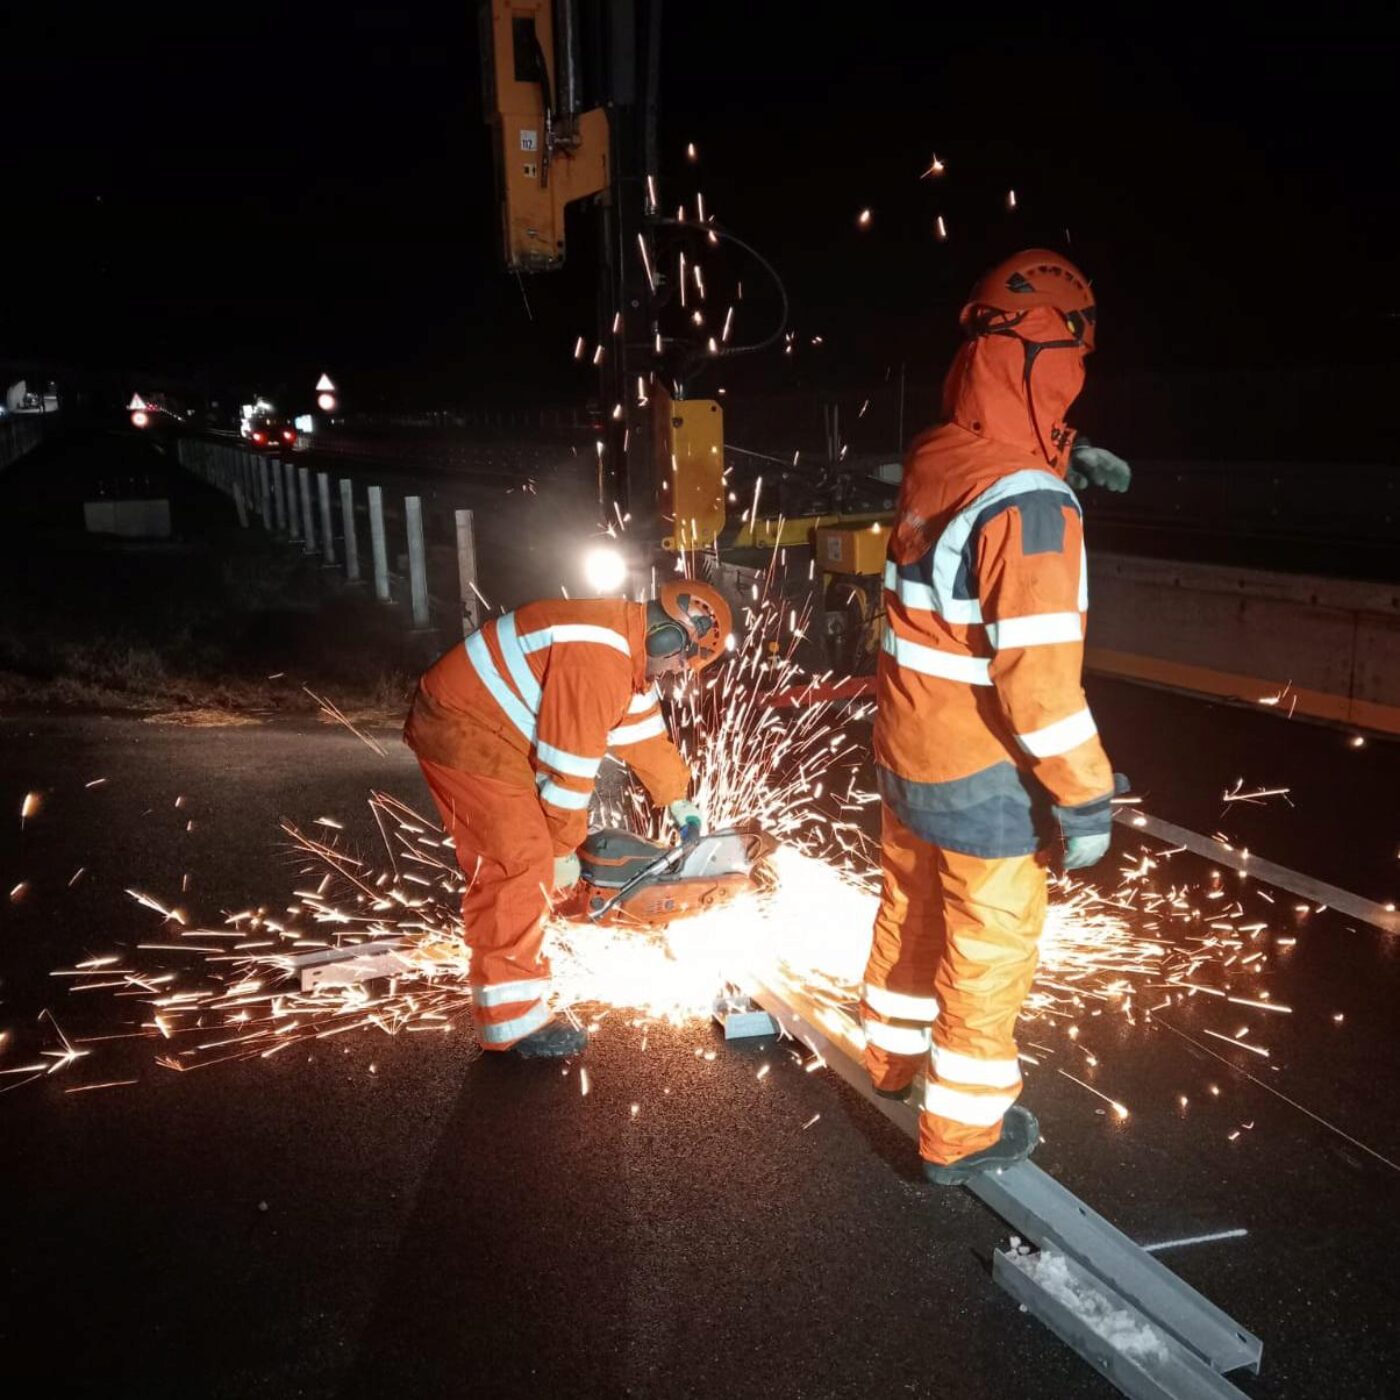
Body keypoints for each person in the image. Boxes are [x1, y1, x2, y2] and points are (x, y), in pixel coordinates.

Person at [863, 249, 1130, 1184]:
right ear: (1058, 356)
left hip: (904, 746)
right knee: (989, 946)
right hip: (978, 768)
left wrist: (1061, 448)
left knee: (911, 909)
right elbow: (1042, 693)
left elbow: (998, 444)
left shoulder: (940, 451)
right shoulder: (1035, 511)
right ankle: (961, 1134)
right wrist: (1087, 800)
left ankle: (890, 1062)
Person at [405, 581, 732, 1058]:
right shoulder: (599, 658)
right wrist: (560, 852)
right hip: (464, 728)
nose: (678, 672)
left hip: (493, 729)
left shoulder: (627, 648)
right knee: (521, 862)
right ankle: (512, 1023)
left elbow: (643, 735)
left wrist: (678, 799)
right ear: (670, 639)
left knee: (539, 858)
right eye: (683, 661)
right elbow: (568, 773)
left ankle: (532, 930)